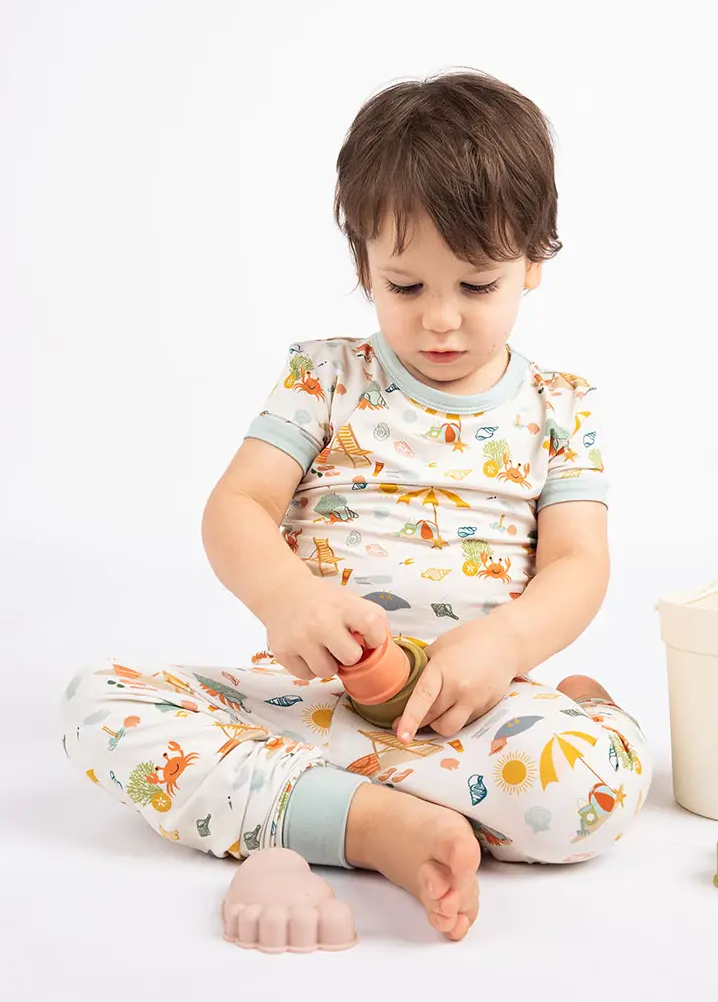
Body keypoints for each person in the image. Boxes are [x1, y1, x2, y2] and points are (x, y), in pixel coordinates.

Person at [62, 70, 651, 943]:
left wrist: (506, 646)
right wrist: (287, 600)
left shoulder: (561, 407)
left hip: (466, 713)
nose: (440, 321)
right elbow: (238, 506)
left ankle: (326, 799)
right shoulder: (325, 375)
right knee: (94, 705)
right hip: (312, 702)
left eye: (478, 286)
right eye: (405, 287)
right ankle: (376, 825)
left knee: (592, 790)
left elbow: (578, 562)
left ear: (534, 261)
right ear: (364, 265)